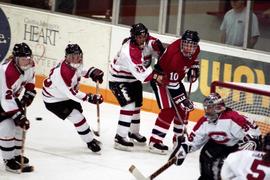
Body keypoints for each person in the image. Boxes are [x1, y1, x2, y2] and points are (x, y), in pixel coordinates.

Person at [169, 92, 262, 180]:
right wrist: (184, 149)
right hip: (221, 145)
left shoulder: (232, 118)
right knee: (206, 153)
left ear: (218, 107)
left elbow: (252, 137)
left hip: (236, 145)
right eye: (206, 108)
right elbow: (194, 140)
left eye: (209, 108)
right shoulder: (204, 122)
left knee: (229, 167)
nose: (207, 111)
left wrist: (251, 143)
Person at [108, 23, 166, 151]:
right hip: (118, 79)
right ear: (133, 37)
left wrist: (162, 53)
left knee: (137, 105)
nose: (142, 39)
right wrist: (156, 76)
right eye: (138, 37)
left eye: (143, 36)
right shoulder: (129, 51)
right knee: (128, 105)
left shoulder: (149, 42)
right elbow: (143, 77)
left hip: (133, 78)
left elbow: (158, 50)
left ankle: (133, 132)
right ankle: (120, 137)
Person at [42, 44, 104, 153]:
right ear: (66, 57)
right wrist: (90, 98)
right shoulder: (62, 72)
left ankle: (87, 133)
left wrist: (92, 72)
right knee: (78, 117)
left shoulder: (72, 64)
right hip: (54, 101)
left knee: (79, 113)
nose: (76, 59)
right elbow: (71, 93)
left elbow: (79, 71)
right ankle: (90, 142)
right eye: (72, 57)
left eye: (77, 56)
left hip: (64, 96)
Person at [148, 30, 200, 155]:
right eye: (186, 44)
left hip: (174, 81)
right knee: (169, 110)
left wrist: (194, 68)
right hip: (161, 80)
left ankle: (178, 139)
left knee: (183, 110)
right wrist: (182, 100)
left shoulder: (196, 49)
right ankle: (155, 141)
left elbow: (193, 60)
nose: (189, 48)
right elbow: (172, 85)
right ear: (182, 43)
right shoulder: (174, 55)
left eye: (192, 45)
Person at [0, 42, 36, 173]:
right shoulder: (5, 71)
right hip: (2, 99)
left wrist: (30, 92)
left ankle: (16, 155)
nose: (27, 61)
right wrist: (16, 115)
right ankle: (8, 161)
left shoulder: (30, 65)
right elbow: (5, 98)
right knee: (7, 127)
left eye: (28, 58)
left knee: (21, 126)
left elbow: (31, 79)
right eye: (23, 59)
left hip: (10, 98)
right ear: (15, 59)